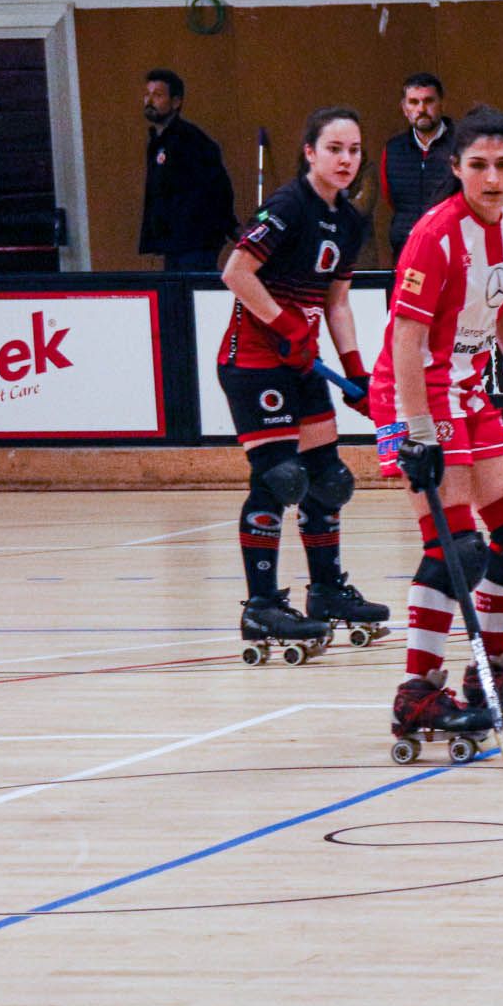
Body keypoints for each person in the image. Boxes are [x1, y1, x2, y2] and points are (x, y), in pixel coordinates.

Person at [370, 105, 503, 749]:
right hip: (415, 391)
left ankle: (492, 679)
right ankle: (418, 693)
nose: (492, 179)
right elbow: (406, 335)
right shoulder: (434, 234)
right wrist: (416, 429)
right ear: (455, 169)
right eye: (477, 166)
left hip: (471, 388)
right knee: (455, 551)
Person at [217, 106, 389, 658]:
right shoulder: (289, 205)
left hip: (302, 363)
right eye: (334, 149)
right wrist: (285, 323)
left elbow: (336, 302)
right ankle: (262, 606)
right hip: (255, 363)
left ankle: (328, 592)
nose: (345, 160)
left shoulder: (351, 220)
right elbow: (235, 272)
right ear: (310, 152)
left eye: (354, 150)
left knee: (328, 480)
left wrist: (356, 370)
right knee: (281, 478)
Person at [139, 68, 237, 272]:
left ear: (176, 102)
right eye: (147, 95)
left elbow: (218, 187)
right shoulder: (158, 141)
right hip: (173, 242)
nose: (149, 101)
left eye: (157, 95)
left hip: (195, 240)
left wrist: (229, 227)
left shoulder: (191, 140)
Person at [381, 72, 458, 264]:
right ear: (404, 108)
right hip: (406, 253)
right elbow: (390, 198)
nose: (421, 109)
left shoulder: (462, 145)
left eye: (428, 101)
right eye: (414, 102)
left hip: (453, 254)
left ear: (442, 104)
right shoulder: (393, 149)